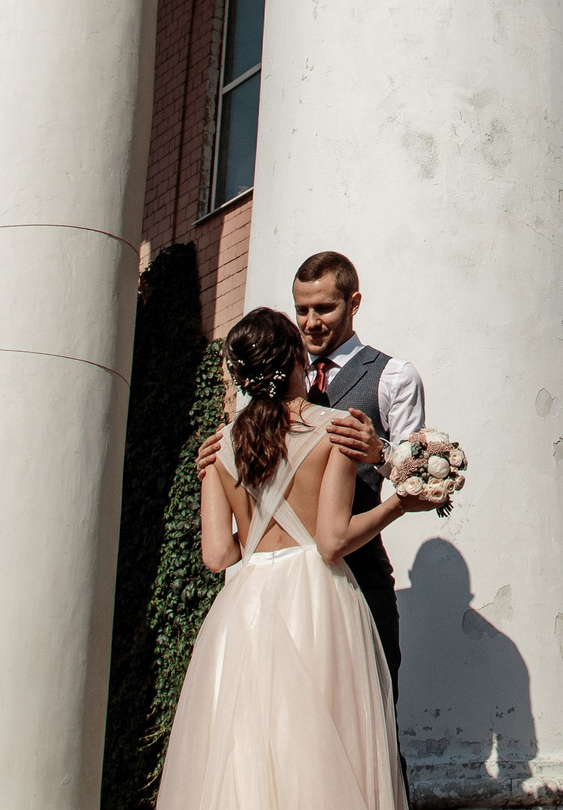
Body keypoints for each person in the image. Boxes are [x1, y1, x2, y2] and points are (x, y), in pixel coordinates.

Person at [155, 306, 431, 809]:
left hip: (246, 605)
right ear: (298, 361)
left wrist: (257, 537)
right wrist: (398, 505)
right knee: (324, 747)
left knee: (249, 749)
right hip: (316, 599)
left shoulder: (218, 449)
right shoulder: (336, 430)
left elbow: (218, 554)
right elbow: (331, 541)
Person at [287, 250, 424, 682]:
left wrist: (379, 452)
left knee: (374, 706)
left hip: (359, 572)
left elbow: (420, 476)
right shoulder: (281, 375)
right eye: (302, 310)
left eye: (324, 308)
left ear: (354, 303)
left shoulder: (394, 376)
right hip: (288, 582)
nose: (311, 322)